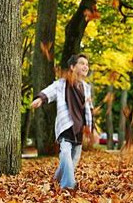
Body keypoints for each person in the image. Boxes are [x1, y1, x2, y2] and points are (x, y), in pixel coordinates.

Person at [31, 54, 93, 189]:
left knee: (73, 160)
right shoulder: (62, 83)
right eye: (82, 63)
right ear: (72, 67)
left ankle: (56, 179)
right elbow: (50, 91)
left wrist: (90, 129)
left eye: (87, 64)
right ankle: (69, 185)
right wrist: (41, 99)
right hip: (66, 125)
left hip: (80, 128)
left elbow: (88, 110)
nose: (85, 66)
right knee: (65, 153)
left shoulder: (86, 87)